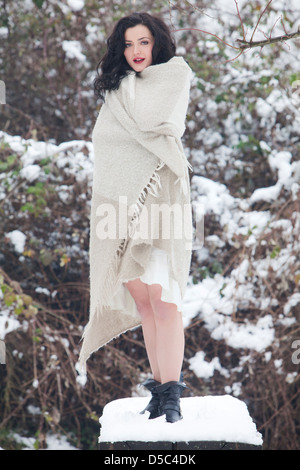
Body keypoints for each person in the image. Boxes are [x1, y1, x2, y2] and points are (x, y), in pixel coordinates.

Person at [79, 11, 194, 423]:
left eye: (143, 42)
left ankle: (173, 395)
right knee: (144, 303)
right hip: (120, 211)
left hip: (161, 202)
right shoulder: (116, 92)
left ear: (157, 44)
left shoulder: (173, 78)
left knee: (165, 300)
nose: (135, 52)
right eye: (128, 44)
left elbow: (158, 125)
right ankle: (160, 389)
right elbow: (109, 151)